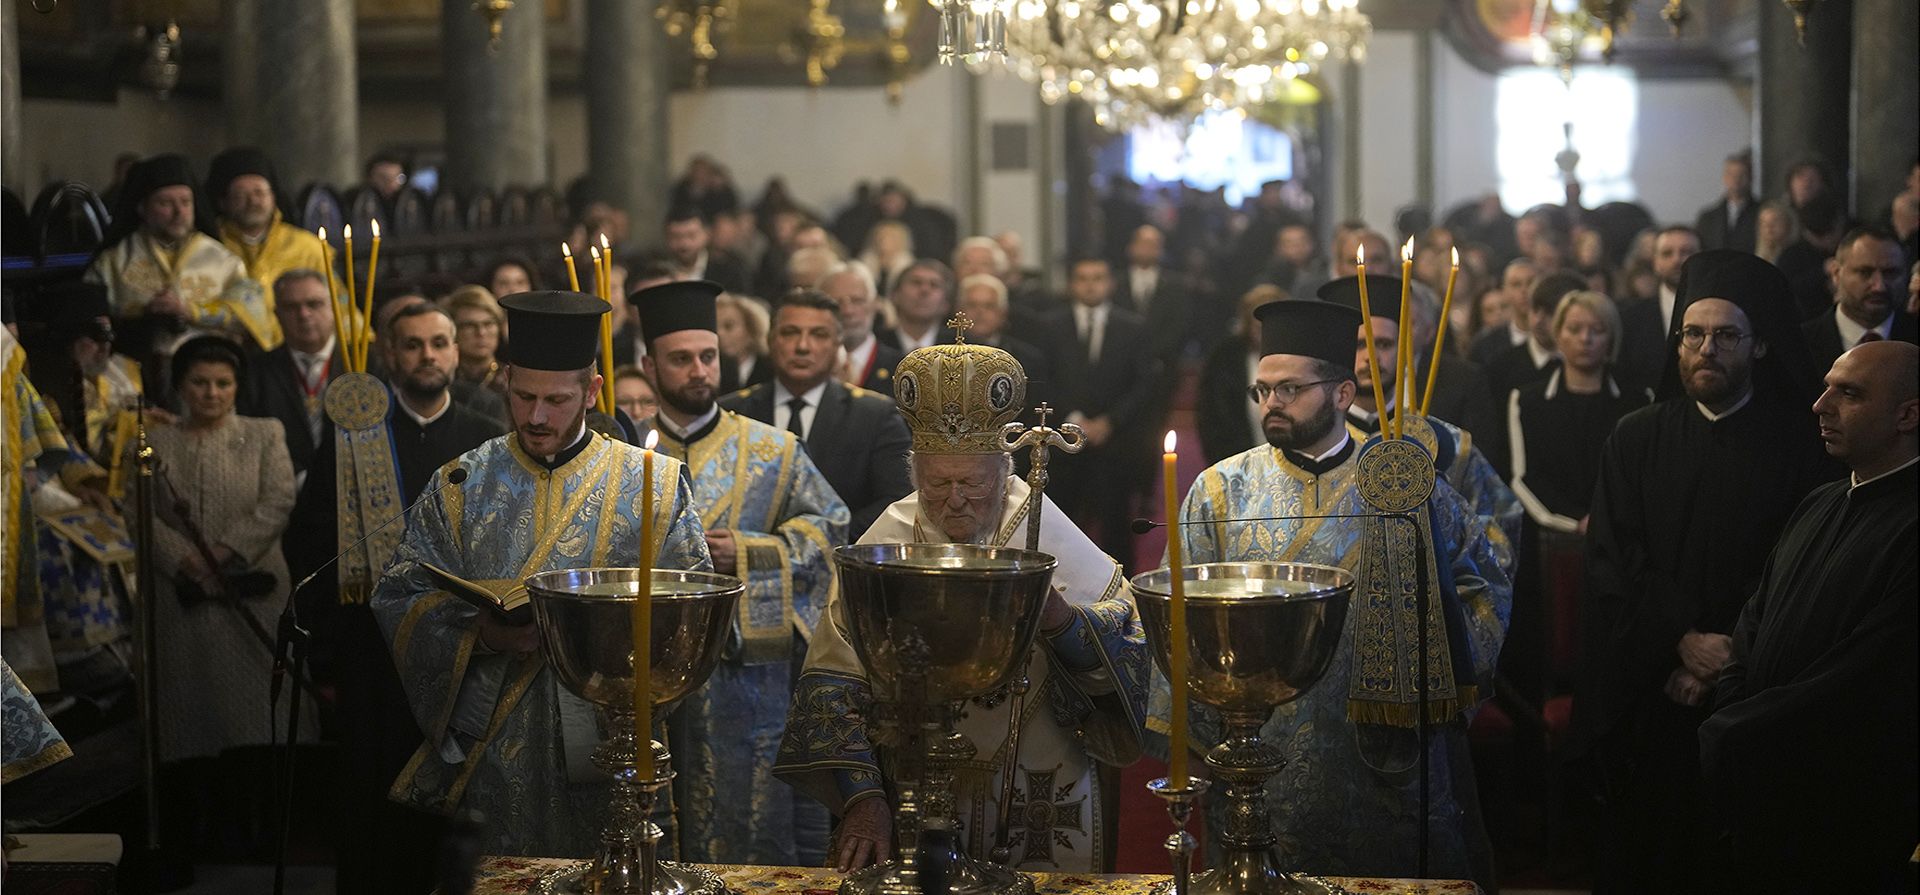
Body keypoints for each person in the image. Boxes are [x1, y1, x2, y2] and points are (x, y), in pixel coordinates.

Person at [1160, 295, 1511, 886]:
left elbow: (1483, 585)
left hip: (1387, 759)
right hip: (1258, 760)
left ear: (1342, 394)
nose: (1272, 403)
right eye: (1263, 390)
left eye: (1290, 389)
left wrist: (1436, 682)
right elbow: (1180, 617)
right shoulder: (1221, 490)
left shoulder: (1403, 482)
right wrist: (1194, 739)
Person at [775, 337, 1147, 873]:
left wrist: (1062, 622)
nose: (953, 500)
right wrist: (862, 801)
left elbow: (1129, 645)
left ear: (1003, 472)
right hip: (911, 774)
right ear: (914, 475)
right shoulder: (894, 534)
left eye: (971, 483)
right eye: (937, 484)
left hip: (1036, 775)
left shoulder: (1040, 524)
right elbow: (833, 678)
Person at [373, 290, 711, 858]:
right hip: (495, 736)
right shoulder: (462, 482)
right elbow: (401, 593)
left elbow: (691, 608)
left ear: (592, 390)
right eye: (523, 395)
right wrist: (483, 632)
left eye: (556, 400)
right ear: (504, 380)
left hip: (608, 733)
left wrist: (600, 643)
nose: (535, 416)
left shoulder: (648, 481)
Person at [1567, 249, 1834, 894]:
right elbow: (1613, 561)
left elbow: (1802, 567)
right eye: (1693, 334)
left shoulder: (1803, 445)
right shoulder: (1635, 438)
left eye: (1725, 336)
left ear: (1761, 346)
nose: (1706, 349)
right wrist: (1678, 646)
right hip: (1650, 694)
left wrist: (1734, 658)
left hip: (1759, 698)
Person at [634, 279, 850, 863]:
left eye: (709, 356)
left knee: (745, 826)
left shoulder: (772, 450)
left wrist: (754, 551)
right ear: (649, 365)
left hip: (744, 682)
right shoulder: (623, 454)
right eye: (681, 360)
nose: (700, 371)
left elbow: (832, 529)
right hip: (644, 668)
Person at [1699, 340, 1917, 892]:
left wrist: (1738, 729)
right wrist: (1733, 709)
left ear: (1908, 415)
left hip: (1846, 801)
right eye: (1826, 388)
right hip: (1763, 781)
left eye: (1849, 394)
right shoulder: (1820, 501)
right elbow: (1754, 620)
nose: (1821, 405)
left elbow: (1867, 673)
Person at [144, 336, 309, 857]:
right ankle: (197, 840)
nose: (211, 393)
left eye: (223, 383)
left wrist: (224, 552)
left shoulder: (264, 434)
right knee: (190, 718)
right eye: (199, 382)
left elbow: (279, 499)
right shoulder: (155, 441)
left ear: (238, 386)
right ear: (180, 386)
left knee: (262, 716)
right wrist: (185, 559)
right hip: (182, 597)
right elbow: (137, 512)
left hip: (254, 590)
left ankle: (265, 836)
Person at [1322, 276, 1522, 555]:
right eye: (1358, 345)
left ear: (1405, 347)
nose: (1371, 357)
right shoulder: (1319, 441)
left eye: (1384, 344)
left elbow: (1499, 524)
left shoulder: (1448, 442)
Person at [721, 290, 912, 537]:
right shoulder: (733, 412)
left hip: (842, 562)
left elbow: (896, 500)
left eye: (818, 335)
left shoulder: (875, 416)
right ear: (770, 340)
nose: (802, 347)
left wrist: (818, 540)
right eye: (790, 333)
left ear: (838, 344)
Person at [87, 155, 276, 369]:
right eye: (166, 203)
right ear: (142, 208)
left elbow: (252, 315)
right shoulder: (113, 262)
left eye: (185, 202)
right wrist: (142, 316)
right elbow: (90, 319)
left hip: (210, 376)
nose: (179, 213)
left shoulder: (223, 260)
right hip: (134, 373)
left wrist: (190, 311)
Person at [1041, 257, 1158, 570]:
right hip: (1063, 442)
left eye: (1097, 277)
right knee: (1062, 524)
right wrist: (1074, 419)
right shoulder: (1049, 326)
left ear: (1110, 284)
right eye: (1082, 277)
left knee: (1117, 527)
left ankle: (1122, 596)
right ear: (1071, 284)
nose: (1090, 284)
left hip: (1115, 443)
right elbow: (1043, 378)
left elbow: (1144, 384)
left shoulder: (1133, 327)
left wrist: (1110, 421)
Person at [240, 270, 344, 489]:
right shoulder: (254, 371)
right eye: (291, 307)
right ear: (276, 315)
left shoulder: (366, 364)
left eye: (314, 304)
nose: (304, 314)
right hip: (281, 491)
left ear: (334, 308)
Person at [206, 147, 328, 309]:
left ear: (273, 197)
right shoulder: (208, 248)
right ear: (223, 202)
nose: (253, 202)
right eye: (241, 195)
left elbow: (338, 304)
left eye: (259, 192)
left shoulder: (308, 247)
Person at [1800, 226, 1916, 371]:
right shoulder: (1800, 344)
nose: (1879, 286)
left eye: (1890, 273)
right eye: (1865, 272)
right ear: (1836, 274)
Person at [1196, 285, 1280, 465]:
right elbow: (1211, 414)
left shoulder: (1299, 358)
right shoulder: (1224, 357)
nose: (1265, 335)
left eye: (1272, 327)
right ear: (1247, 325)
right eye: (1259, 328)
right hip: (1235, 458)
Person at [1616, 226, 1701, 393]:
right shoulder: (1630, 318)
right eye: (1667, 253)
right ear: (1655, 262)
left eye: (1686, 252)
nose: (1677, 260)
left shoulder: (1722, 315)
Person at [821, 262, 903, 392]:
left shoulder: (902, 368)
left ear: (875, 304)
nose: (847, 311)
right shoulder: (807, 366)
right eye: (836, 302)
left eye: (857, 301)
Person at [660, 206, 750, 293]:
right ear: (666, 238)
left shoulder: (729, 272)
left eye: (691, 236)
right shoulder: (655, 271)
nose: (684, 244)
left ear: (706, 235)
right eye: (676, 237)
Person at [443, 285, 508, 400]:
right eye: (470, 325)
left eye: (488, 324)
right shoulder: (442, 380)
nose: (481, 332)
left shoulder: (513, 381)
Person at [877, 259, 956, 354]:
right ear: (895, 295)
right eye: (916, 282)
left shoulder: (960, 348)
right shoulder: (876, 344)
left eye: (934, 285)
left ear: (946, 302)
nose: (924, 290)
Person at [1693, 151, 1758, 253]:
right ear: (1724, 178)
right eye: (1731, 174)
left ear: (1750, 178)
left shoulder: (1762, 213)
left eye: (1741, 174)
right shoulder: (1707, 218)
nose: (1736, 179)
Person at [715, 291, 771, 393]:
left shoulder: (772, 369)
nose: (719, 334)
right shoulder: (707, 372)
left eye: (728, 326)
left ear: (751, 329)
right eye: (714, 327)